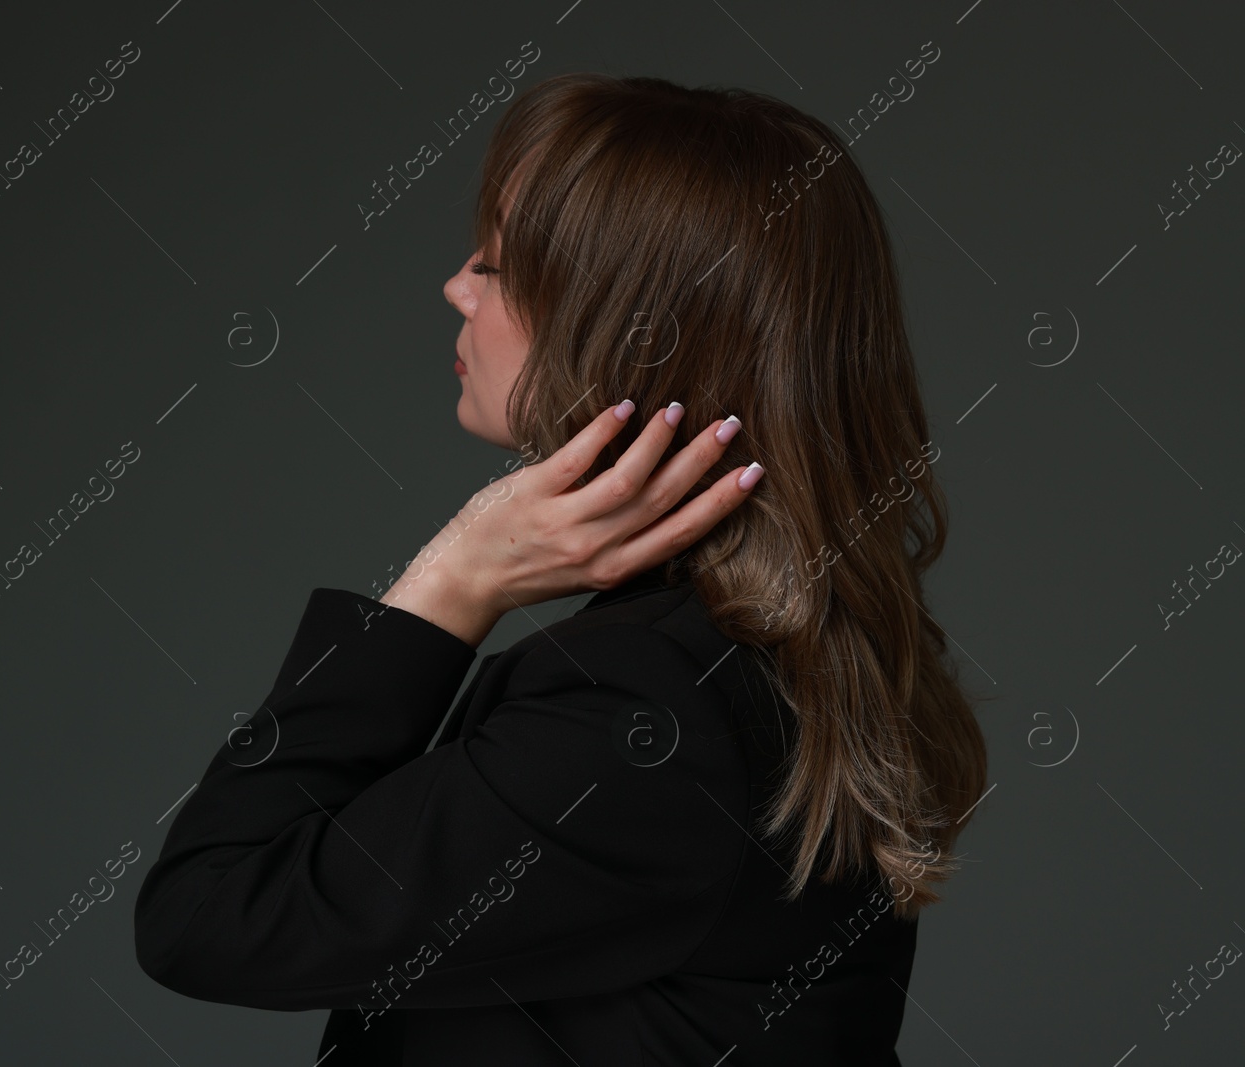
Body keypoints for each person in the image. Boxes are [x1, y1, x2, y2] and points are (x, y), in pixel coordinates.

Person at [133, 72, 988, 1065]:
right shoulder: (743, 665)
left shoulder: (640, 710)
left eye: (499, 262)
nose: (457, 285)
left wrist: (451, 578)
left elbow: (212, 912)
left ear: (628, 327)